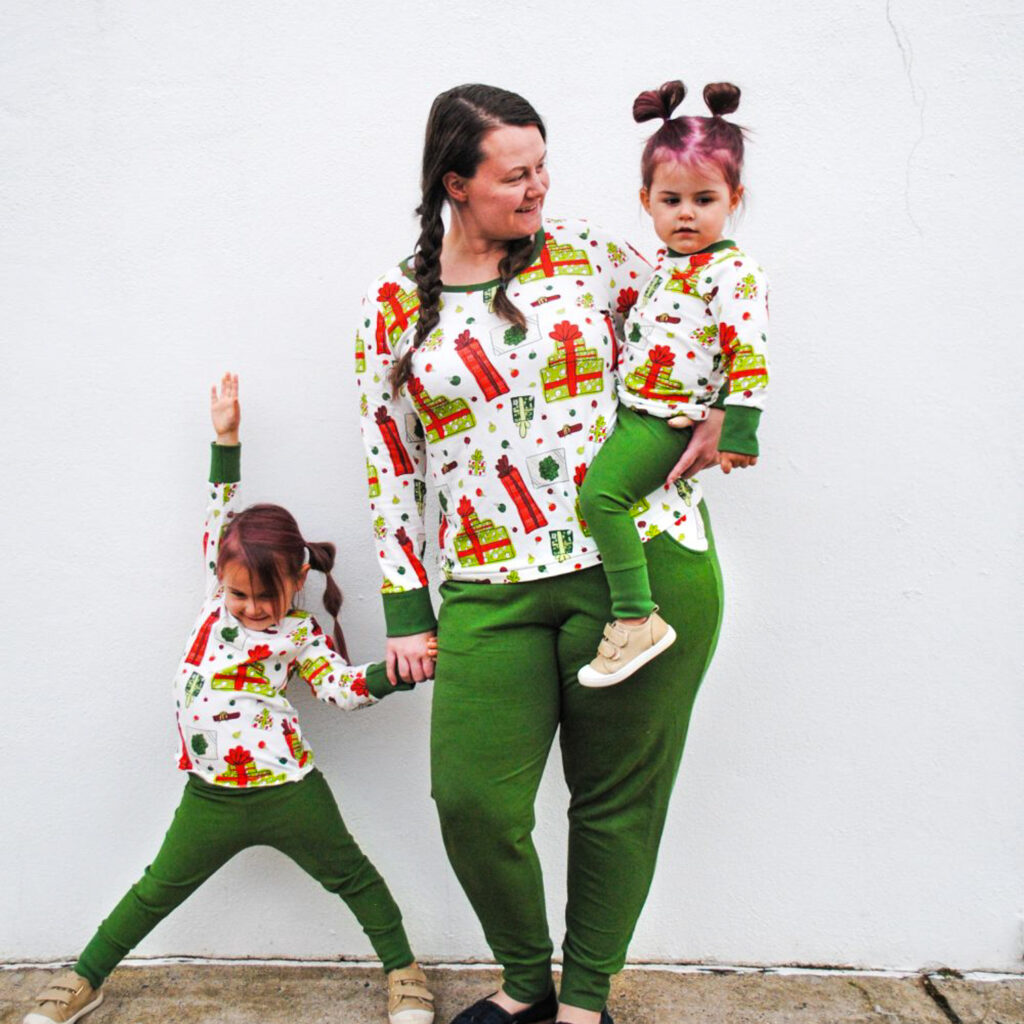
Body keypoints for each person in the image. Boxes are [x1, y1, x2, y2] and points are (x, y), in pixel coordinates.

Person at [356, 84, 725, 1024]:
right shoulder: (397, 305)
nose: (538, 189)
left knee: (614, 804)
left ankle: (583, 1000)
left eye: (543, 167)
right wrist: (409, 608)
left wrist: (727, 402)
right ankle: (525, 980)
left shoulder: (593, 256)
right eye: (515, 176)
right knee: (473, 803)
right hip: (488, 586)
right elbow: (390, 461)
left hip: (639, 567)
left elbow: (702, 307)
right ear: (455, 184)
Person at [23, 374, 434, 1024]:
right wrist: (227, 439)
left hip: (290, 791)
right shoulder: (218, 604)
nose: (250, 608)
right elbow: (220, 507)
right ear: (221, 579)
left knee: (354, 878)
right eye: (239, 594)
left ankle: (405, 975)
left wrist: (399, 670)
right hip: (210, 798)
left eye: (265, 598)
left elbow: (344, 690)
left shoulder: (299, 634)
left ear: (298, 581)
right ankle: (83, 978)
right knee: (155, 890)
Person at [576, 80, 769, 688]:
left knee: (599, 499)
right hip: (635, 409)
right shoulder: (669, 264)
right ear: (647, 200)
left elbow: (749, 352)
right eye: (672, 199)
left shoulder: (733, 272)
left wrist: (738, 431)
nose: (687, 213)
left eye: (704, 199)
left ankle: (637, 618)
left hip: (669, 420)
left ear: (733, 199)